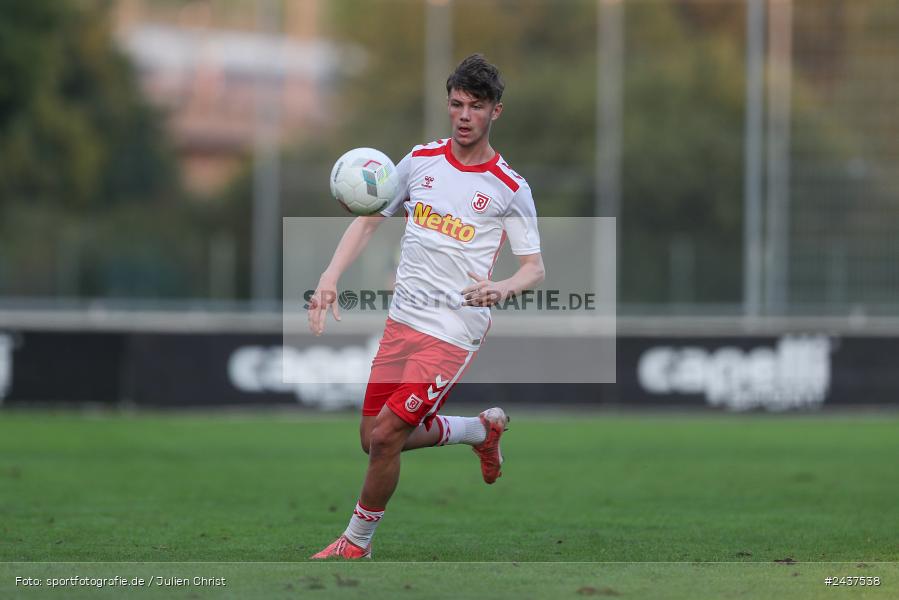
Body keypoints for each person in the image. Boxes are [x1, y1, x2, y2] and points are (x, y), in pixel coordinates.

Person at [309, 54, 545, 559]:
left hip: (454, 329)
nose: (463, 115)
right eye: (456, 104)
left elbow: (534, 269)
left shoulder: (510, 188)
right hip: (403, 320)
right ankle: (479, 430)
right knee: (371, 438)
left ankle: (357, 542)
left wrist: (499, 289)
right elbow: (371, 218)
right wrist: (330, 276)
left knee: (390, 434)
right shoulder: (420, 161)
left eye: (475, 107)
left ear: (495, 113)